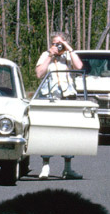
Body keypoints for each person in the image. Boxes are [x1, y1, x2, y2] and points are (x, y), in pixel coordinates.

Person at [34, 31, 85, 180]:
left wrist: (68, 49)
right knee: (47, 132)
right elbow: (39, 73)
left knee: (68, 133)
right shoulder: (45, 55)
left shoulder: (69, 56)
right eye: (54, 43)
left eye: (59, 43)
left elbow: (79, 66)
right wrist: (50, 56)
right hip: (50, 97)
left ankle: (67, 168)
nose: (57, 46)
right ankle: (45, 166)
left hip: (67, 97)